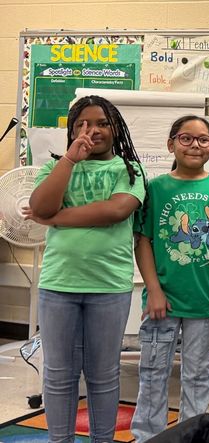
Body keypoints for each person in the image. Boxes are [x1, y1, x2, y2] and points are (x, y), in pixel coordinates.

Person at [25, 95, 146, 443]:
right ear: (72, 130)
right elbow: (38, 204)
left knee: (103, 374)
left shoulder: (129, 170)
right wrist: (68, 161)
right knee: (59, 374)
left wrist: (54, 219)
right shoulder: (55, 168)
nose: (92, 131)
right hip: (58, 285)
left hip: (108, 287)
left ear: (115, 129)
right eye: (82, 124)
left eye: (101, 124)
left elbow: (115, 210)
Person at [131, 115, 209, 442]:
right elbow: (143, 240)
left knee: (197, 377)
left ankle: (191, 435)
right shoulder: (155, 188)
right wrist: (153, 289)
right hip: (162, 302)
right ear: (171, 144)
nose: (195, 145)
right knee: (153, 374)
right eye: (186, 138)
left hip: (207, 300)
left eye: (203, 139)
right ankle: (147, 437)